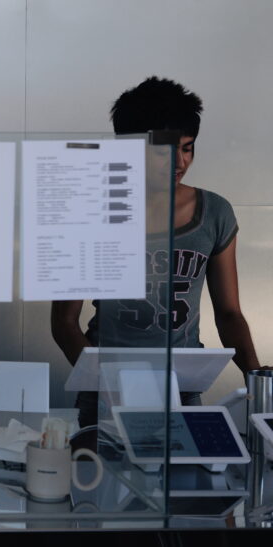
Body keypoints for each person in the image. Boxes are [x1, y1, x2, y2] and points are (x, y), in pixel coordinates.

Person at [50, 77, 265, 426]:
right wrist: (105, 384)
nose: (180, 162)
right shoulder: (89, 211)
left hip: (181, 388)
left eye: (188, 148)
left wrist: (257, 378)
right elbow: (63, 321)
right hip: (106, 391)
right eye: (164, 151)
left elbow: (229, 313)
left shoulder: (215, 213)